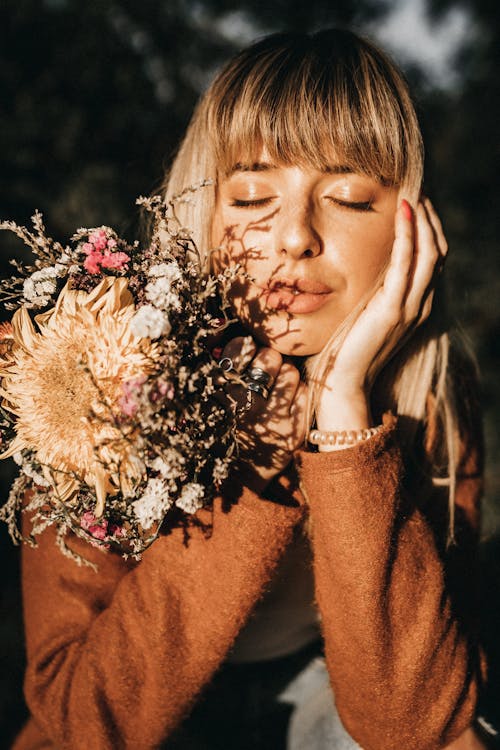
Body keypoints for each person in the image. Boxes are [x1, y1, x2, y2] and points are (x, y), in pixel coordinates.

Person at [13, 29, 490, 750]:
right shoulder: (94, 372)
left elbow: (412, 723)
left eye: (350, 197)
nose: (295, 235)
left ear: (408, 227)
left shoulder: (433, 396)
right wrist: (259, 466)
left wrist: (345, 418)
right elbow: (87, 720)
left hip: (335, 688)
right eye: (253, 194)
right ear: (203, 212)